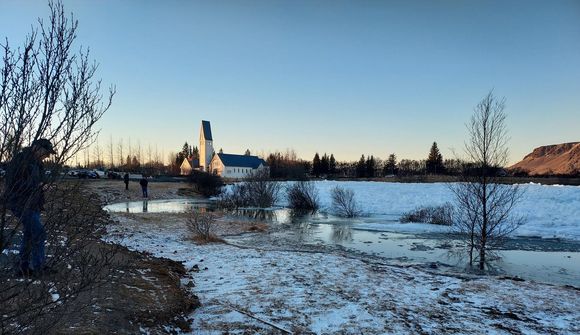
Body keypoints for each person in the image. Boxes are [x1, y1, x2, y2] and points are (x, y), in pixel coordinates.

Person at [5, 138, 56, 276]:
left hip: (33, 204)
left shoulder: (37, 164)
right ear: (37, 148)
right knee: (39, 233)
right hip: (21, 203)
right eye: (46, 152)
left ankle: (23, 267)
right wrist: (37, 186)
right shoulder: (21, 160)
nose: (47, 156)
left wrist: (44, 186)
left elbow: (38, 181)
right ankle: (38, 267)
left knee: (29, 234)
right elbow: (13, 184)